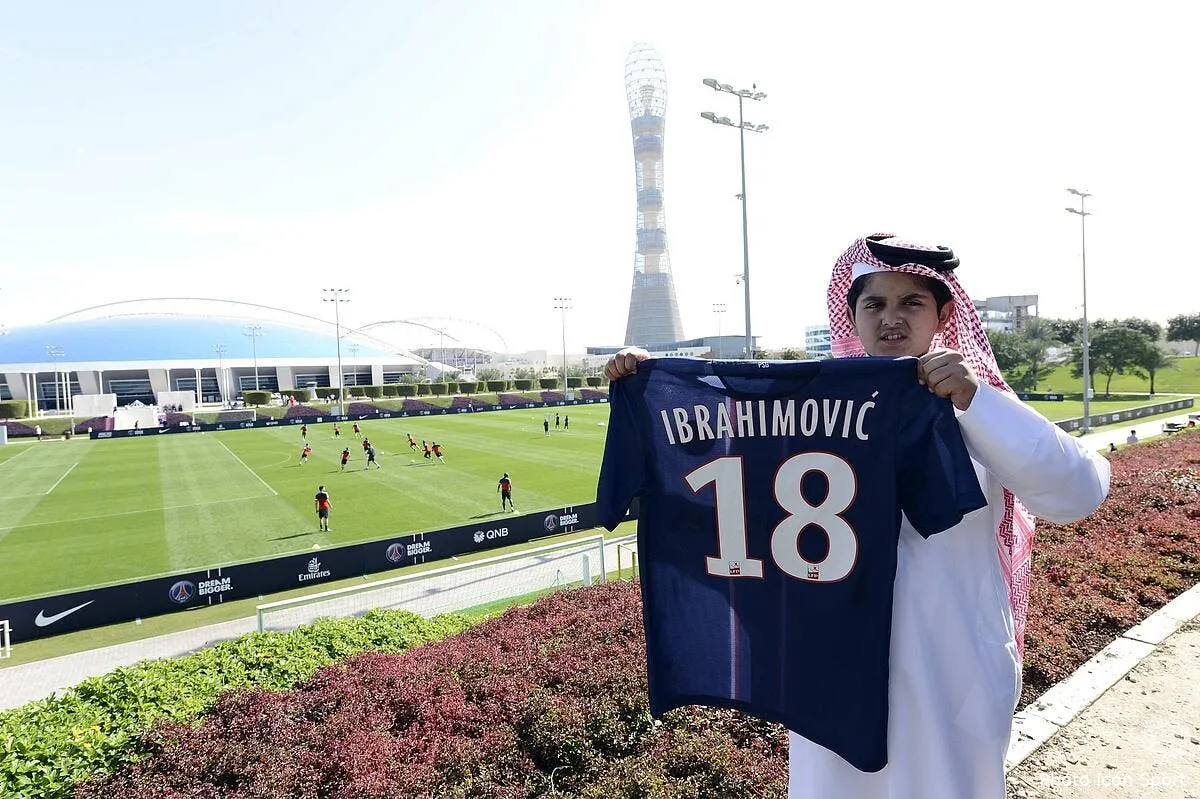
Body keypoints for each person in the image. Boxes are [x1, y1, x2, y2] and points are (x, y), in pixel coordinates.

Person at [604, 233, 1110, 799]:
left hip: (947, 668)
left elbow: (1078, 492)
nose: (891, 318)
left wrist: (975, 402)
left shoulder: (975, 400)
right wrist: (648, 384)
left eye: (910, 302)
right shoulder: (810, 413)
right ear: (852, 316)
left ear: (944, 313)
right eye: (874, 304)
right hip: (830, 670)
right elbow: (721, 454)